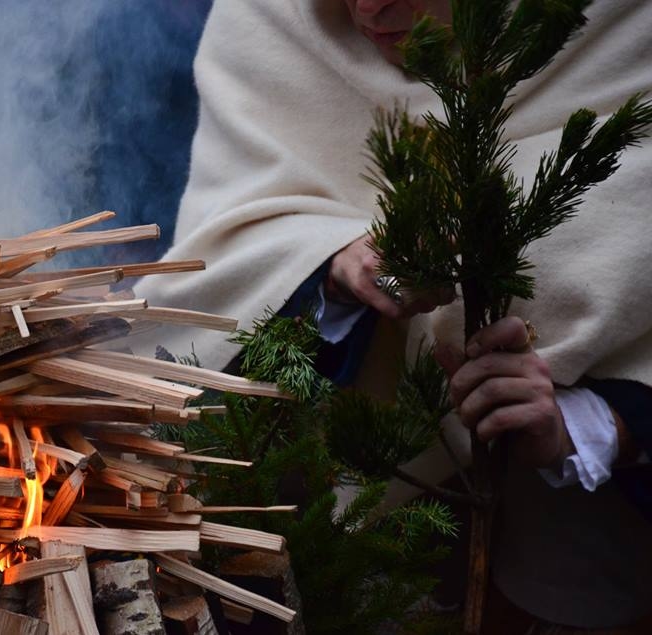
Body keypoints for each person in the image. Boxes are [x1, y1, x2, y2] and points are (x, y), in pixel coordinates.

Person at [134, 0, 652, 631]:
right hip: (331, 561)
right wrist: (329, 270)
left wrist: (594, 427)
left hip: (581, 557)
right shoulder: (273, 19)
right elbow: (225, 263)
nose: (369, 7)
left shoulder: (625, 27)